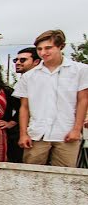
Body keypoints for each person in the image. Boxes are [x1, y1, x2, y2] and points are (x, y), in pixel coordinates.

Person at [14, 30, 88, 168]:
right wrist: (23, 134)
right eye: (39, 49)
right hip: (37, 134)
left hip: (66, 133)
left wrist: (77, 130)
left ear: (61, 46)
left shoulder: (80, 70)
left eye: (48, 48)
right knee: (31, 175)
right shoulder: (29, 76)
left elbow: (83, 100)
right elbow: (24, 107)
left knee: (64, 177)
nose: (43, 52)